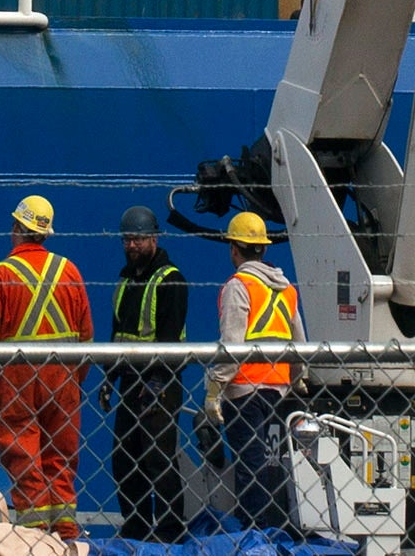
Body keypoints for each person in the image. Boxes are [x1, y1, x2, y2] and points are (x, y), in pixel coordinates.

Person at [0, 194, 91, 533]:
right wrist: (75, 381)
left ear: (18, 228)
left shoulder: (1, 274)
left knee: (24, 459)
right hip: (64, 376)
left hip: (16, 380)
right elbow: (86, 336)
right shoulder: (69, 270)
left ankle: (35, 539)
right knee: (61, 459)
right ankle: (66, 539)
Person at [212, 211, 302, 532]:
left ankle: (254, 532)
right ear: (262, 249)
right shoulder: (286, 288)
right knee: (268, 464)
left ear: (235, 249)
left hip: (244, 388)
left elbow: (232, 345)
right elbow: (299, 343)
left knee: (249, 465)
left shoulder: (239, 286)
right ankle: (266, 530)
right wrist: (298, 378)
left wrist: (214, 387)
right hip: (277, 390)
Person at [108, 205, 192, 544]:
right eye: (128, 239)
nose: (132, 246)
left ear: (154, 238)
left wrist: (158, 380)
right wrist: (109, 379)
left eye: (139, 239)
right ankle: (138, 524)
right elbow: (117, 334)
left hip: (161, 382)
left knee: (158, 457)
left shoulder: (170, 279)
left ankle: (171, 529)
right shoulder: (126, 279)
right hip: (130, 380)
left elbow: (171, 336)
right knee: (124, 457)